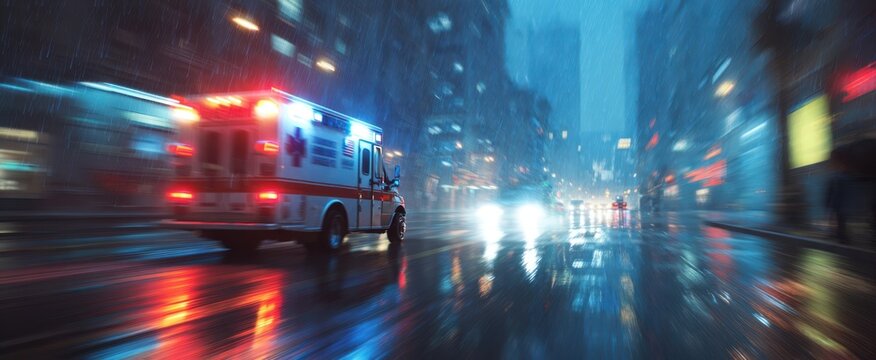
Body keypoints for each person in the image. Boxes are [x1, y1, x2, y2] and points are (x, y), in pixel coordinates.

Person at [825, 147, 852, 243]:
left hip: (838, 203)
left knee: (839, 219)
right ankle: (840, 235)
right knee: (840, 219)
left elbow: (833, 191)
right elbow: (834, 191)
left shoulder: (838, 176)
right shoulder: (840, 175)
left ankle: (839, 235)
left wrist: (829, 203)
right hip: (838, 203)